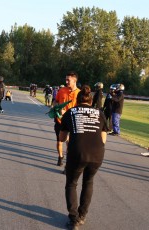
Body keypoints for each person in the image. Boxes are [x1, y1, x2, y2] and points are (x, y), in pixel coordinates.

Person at [59, 85, 108, 229]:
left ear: (77, 100)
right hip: (97, 153)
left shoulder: (70, 112)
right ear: (91, 101)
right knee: (88, 182)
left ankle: (73, 218)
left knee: (72, 183)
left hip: (77, 152)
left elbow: (62, 138)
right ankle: (82, 215)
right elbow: (103, 138)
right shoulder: (100, 113)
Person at [54, 71, 80, 166]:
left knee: (69, 143)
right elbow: (55, 101)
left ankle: (68, 164)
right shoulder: (62, 90)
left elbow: (80, 110)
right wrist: (57, 108)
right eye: (66, 80)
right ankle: (60, 156)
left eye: (68, 80)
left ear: (74, 81)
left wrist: (68, 113)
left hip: (72, 123)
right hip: (60, 121)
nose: (66, 82)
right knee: (59, 142)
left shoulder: (79, 93)